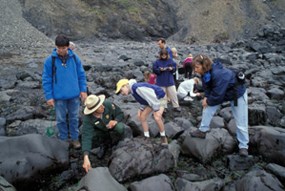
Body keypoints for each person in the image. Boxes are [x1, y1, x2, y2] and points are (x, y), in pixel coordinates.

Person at [190, 55, 249, 157]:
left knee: (241, 121)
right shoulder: (205, 73)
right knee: (207, 107)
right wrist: (206, 97)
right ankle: (202, 130)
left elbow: (217, 95)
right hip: (223, 92)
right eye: (194, 67)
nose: (195, 70)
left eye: (196, 67)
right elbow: (207, 87)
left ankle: (243, 146)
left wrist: (208, 100)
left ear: (204, 66)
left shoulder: (219, 74)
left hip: (236, 95)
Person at [42, 34, 87, 149]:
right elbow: (46, 79)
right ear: (55, 46)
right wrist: (49, 96)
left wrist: (83, 90)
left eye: (63, 48)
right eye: (59, 48)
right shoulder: (49, 61)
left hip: (74, 95)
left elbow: (81, 75)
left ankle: (75, 138)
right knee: (61, 119)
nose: (61, 50)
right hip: (59, 97)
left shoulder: (75, 58)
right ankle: (63, 139)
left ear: (68, 47)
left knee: (74, 118)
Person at [115, 78, 168, 145]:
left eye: (121, 90)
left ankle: (163, 137)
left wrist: (156, 110)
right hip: (151, 101)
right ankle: (147, 137)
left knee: (157, 117)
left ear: (125, 85)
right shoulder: (132, 91)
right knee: (142, 116)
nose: (121, 93)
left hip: (161, 98)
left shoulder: (136, 87)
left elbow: (152, 97)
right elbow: (144, 99)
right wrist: (141, 109)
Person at [82, 94, 125, 173]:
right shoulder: (87, 118)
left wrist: (115, 121)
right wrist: (86, 156)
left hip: (112, 126)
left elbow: (120, 114)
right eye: (99, 107)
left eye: (101, 104)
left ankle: (118, 142)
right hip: (101, 130)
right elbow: (86, 136)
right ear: (93, 110)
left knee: (120, 128)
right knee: (88, 134)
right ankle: (104, 144)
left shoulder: (107, 104)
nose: (103, 107)